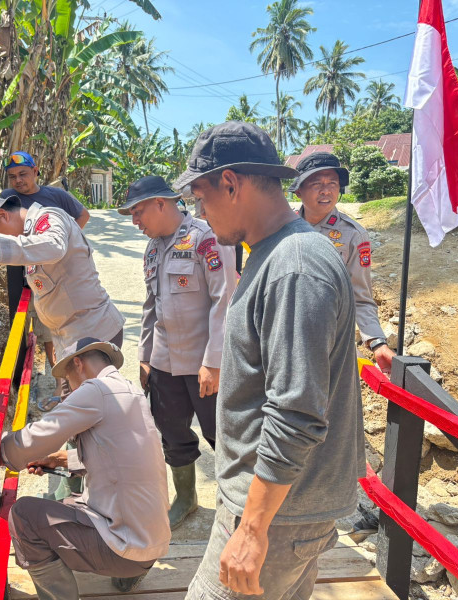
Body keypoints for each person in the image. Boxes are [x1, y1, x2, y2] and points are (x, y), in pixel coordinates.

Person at [175, 122, 364, 599]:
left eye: (200, 198)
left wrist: (253, 529)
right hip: (284, 512)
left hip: (278, 518)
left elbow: (297, 412)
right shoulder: (273, 255)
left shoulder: (294, 266)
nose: (199, 212)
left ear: (231, 184)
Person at [0, 337, 171, 600]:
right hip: (151, 541)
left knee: (23, 516)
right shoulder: (129, 390)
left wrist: (1, 451)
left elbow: (45, 433)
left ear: (77, 364)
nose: (69, 389)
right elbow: (119, 456)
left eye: (68, 381)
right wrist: (59, 460)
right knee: (69, 503)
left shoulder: (95, 390)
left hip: (126, 549)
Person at [118, 175, 236, 530]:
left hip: (205, 365)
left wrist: (213, 362)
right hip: (165, 364)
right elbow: (150, 305)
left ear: (160, 203)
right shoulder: (153, 248)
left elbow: (225, 301)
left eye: (138, 212)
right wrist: (144, 355)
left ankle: (239, 506)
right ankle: (186, 498)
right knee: (172, 433)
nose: (135, 221)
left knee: (224, 435)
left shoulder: (205, 238)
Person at [0, 195, 124, 357]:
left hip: (92, 334)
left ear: (3, 215)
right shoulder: (30, 237)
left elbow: (54, 247)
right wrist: (60, 341)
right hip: (71, 337)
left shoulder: (49, 217)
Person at [290, 152, 396, 373]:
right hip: (285, 337)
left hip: (331, 343)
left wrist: (377, 342)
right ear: (299, 191)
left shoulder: (353, 236)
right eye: (317, 183)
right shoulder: (281, 227)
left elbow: (361, 297)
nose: (326, 190)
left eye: (332, 183)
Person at [1, 151, 90, 385]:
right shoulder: (8, 198)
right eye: (12, 176)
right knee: (47, 332)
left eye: (23, 174)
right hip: (29, 278)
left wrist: (66, 245)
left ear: (35, 171)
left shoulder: (56, 196)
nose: (18, 180)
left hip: (62, 278)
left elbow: (83, 215)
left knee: (65, 328)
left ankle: (72, 382)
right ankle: (62, 382)